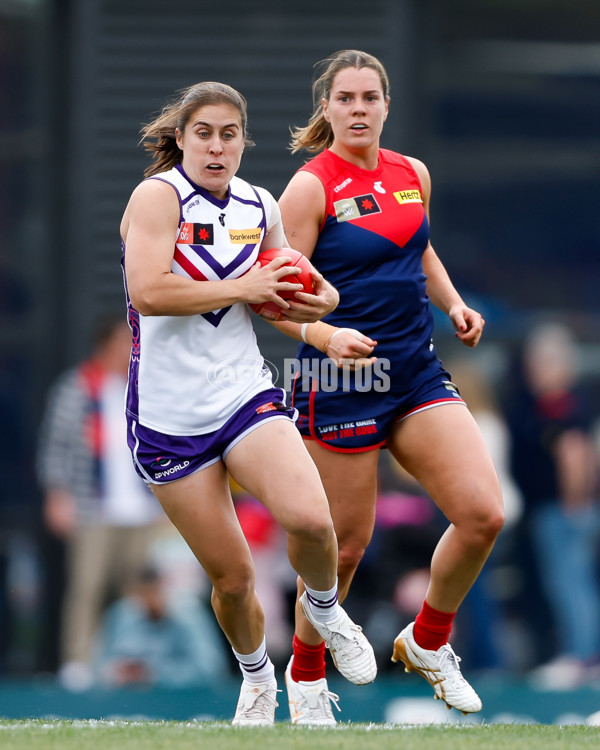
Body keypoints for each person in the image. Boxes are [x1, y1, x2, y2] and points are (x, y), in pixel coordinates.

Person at [119, 81, 376, 726]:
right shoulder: (157, 197)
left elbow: (279, 297)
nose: (216, 146)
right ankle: (257, 677)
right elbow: (149, 291)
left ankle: (323, 609)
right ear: (181, 138)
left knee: (314, 522)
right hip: (168, 418)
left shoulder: (260, 204)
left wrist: (324, 321)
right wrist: (249, 283)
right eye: (203, 133)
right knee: (233, 581)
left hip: (243, 392)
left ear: (243, 142)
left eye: (229, 134)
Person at [275, 50, 505, 724]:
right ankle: (308, 677)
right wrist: (325, 338)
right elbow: (277, 298)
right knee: (341, 550)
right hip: (341, 379)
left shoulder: (413, 173)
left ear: (385, 104)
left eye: (369, 97)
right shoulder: (310, 187)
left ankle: (428, 640)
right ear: (326, 107)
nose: (357, 109)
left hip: (414, 370)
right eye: (344, 98)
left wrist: (455, 304)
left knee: (484, 514)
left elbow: (418, 247)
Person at [37, 315, 165, 691]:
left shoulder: (145, 388)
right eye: (125, 342)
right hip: (93, 508)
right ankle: (77, 664)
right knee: (86, 588)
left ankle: (131, 665)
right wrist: (57, 495)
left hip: (144, 511)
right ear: (106, 345)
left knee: (139, 594)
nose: (132, 348)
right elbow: (55, 447)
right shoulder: (76, 388)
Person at [506, 322, 600, 688]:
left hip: (561, 510)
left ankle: (582, 657)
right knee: (568, 582)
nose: (534, 372)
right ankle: (582, 654)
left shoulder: (559, 401)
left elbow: (575, 455)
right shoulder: (553, 401)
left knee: (569, 584)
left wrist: (573, 505)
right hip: (557, 509)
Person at [93, 565, 228, 689]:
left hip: (179, 701)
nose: (150, 600)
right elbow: (98, 665)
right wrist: (119, 672)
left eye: (155, 592)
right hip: (127, 699)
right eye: (144, 593)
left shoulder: (190, 616)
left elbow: (211, 670)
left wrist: (155, 675)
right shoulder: (123, 613)